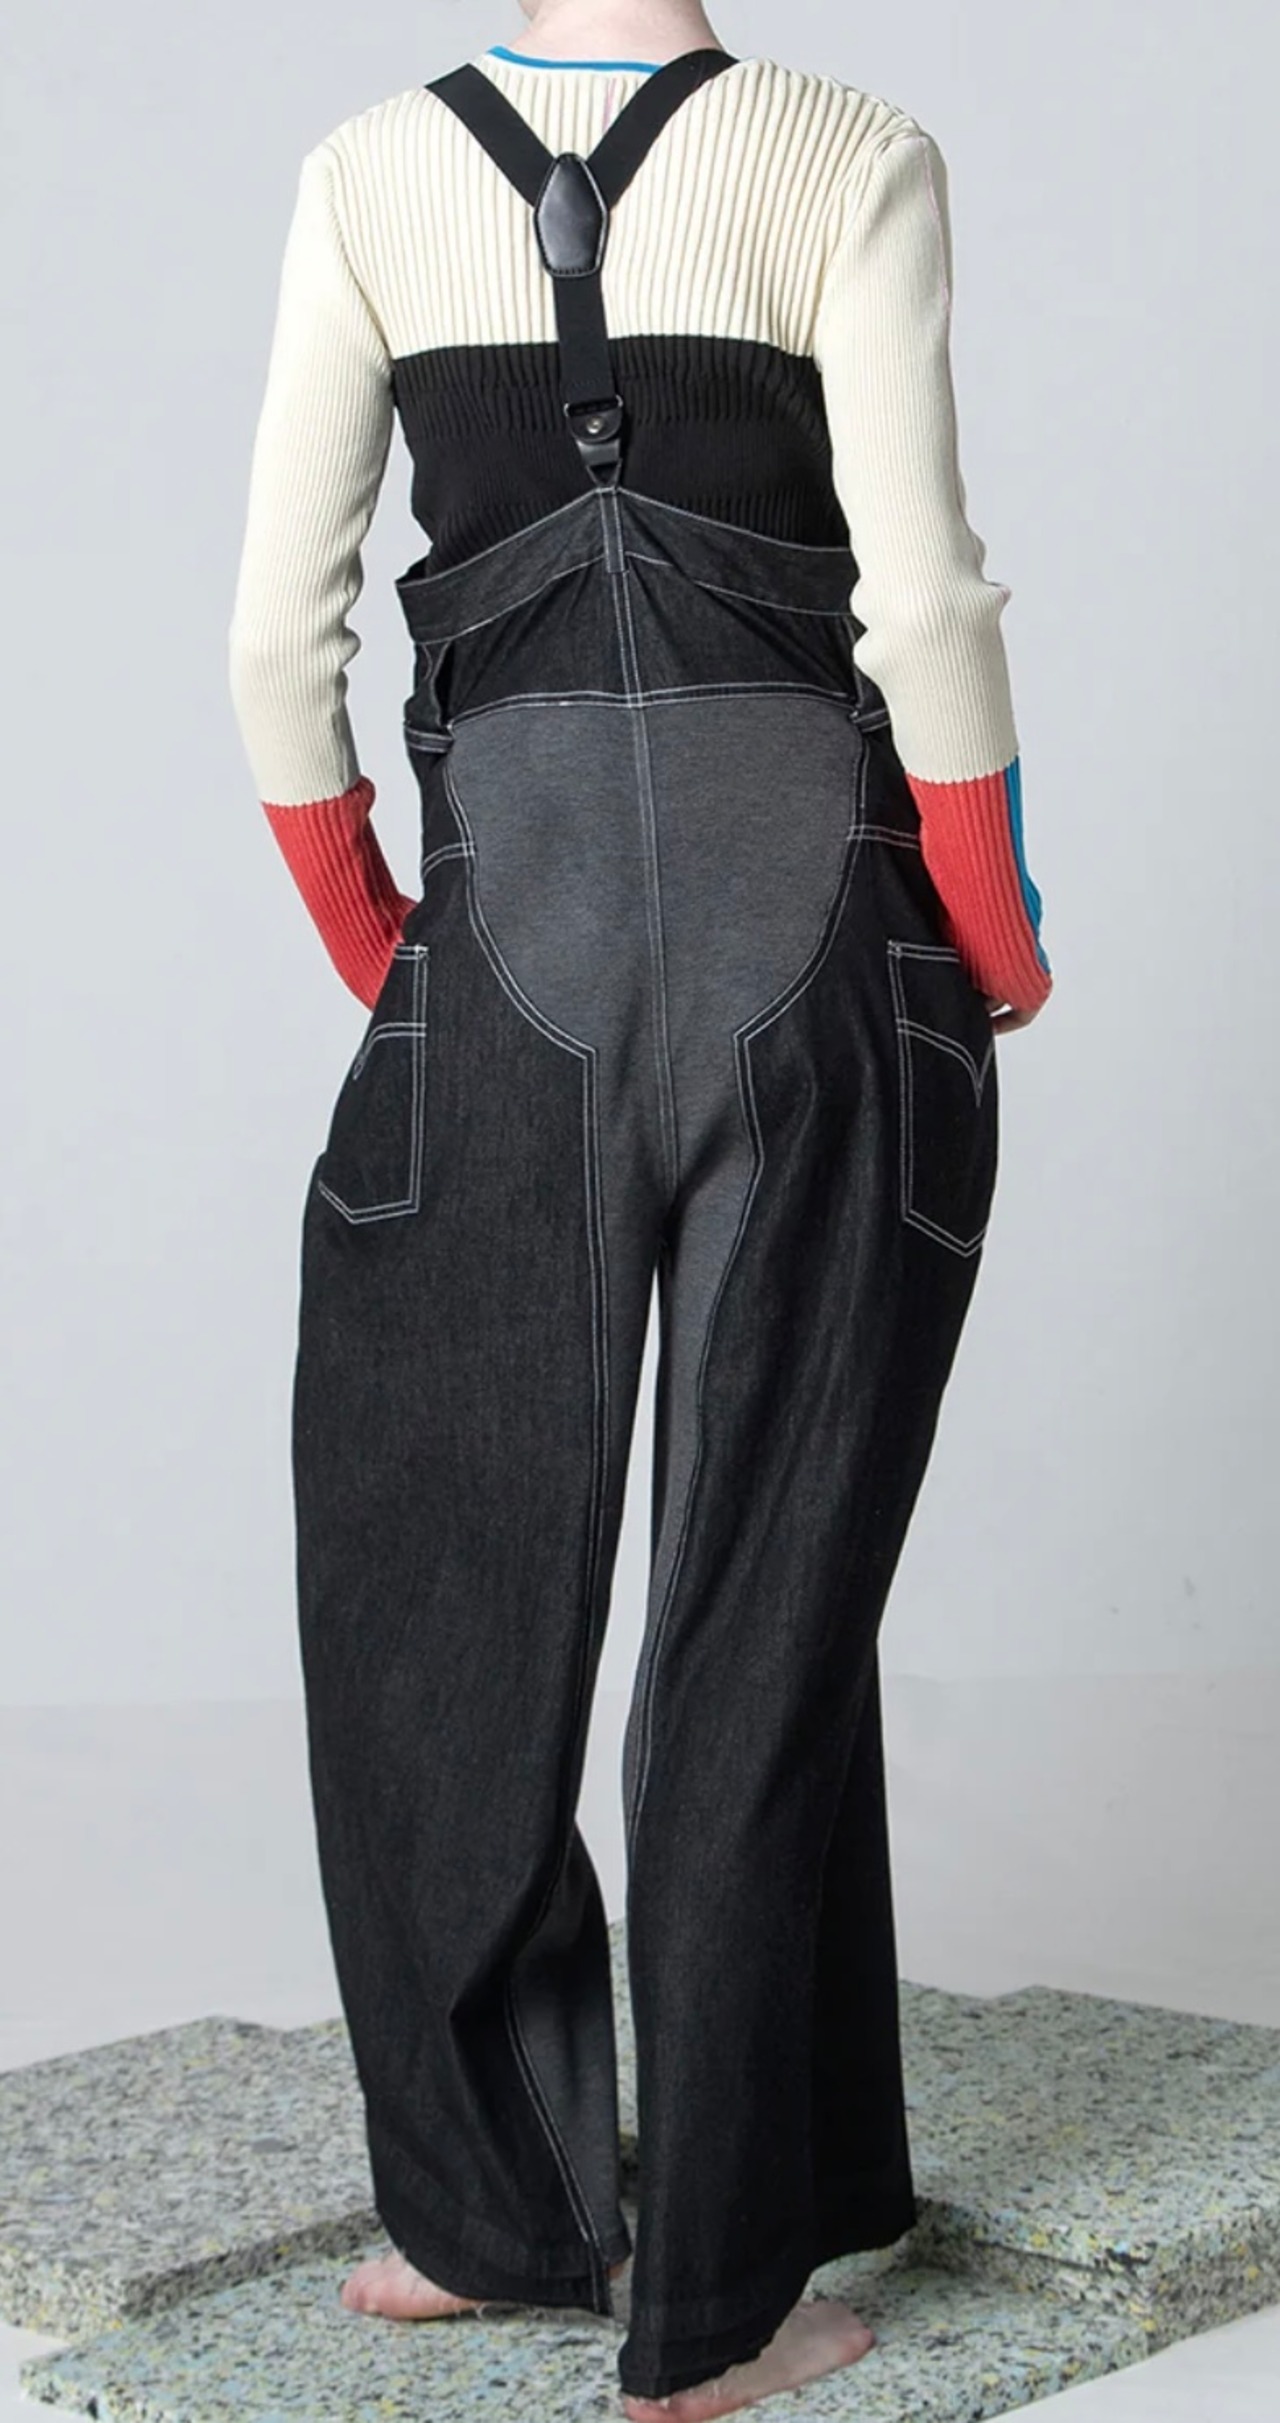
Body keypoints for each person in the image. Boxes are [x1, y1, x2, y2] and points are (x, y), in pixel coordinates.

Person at [227, 2, 1053, 2416]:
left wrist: (395, 959)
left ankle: (482, 2220)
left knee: (432, 1583)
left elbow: (276, 642)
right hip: (828, 954)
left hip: (508, 955)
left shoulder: (367, 173)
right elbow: (925, 607)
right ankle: (731, 2290)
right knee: (756, 1619)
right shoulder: (844, 151)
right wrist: (991, 935)